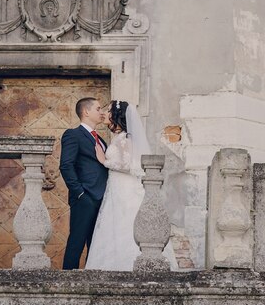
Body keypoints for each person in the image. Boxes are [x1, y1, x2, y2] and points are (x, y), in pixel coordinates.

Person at [85, 100, 177, 271]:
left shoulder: (124, 139)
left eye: (109, 111)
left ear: (117, 116)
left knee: (124, 223)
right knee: (115, 224)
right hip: (116, 188)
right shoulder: (120, 138)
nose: (105, 113)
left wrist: (104, 161)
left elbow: (128, 166)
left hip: (123, 188)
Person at [59, 97, 109, 270]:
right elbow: (66, 165)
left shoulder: (101, 140)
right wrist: (80, 193)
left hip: (102, 199)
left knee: (95, 246)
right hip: (84, 198)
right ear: (86, 112)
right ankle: (66, 283)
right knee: (77, 242)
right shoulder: (73, 135)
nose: (101, 112)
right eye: (98, 108)